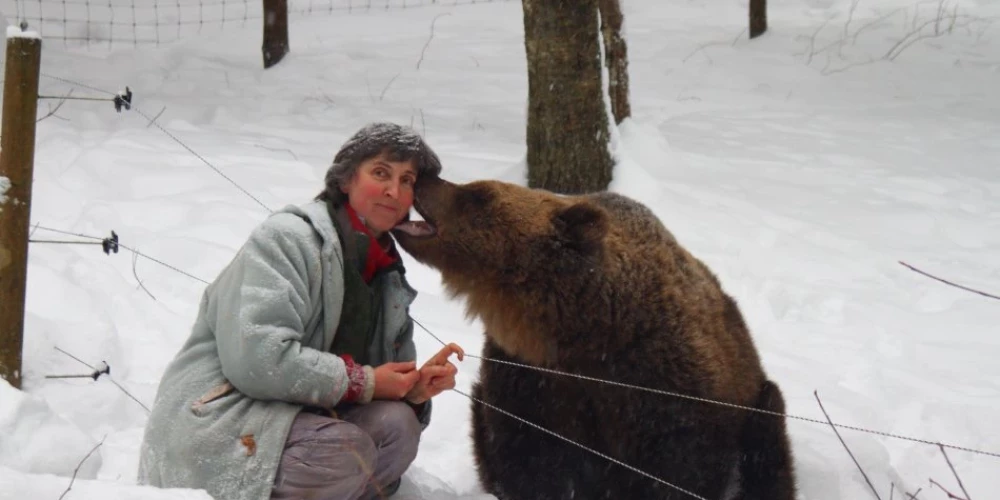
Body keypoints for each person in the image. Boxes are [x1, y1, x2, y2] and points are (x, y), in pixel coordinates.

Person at [138, 122, 464, 500]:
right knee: (343, 453)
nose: (395, 191)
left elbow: (381, 382)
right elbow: (258, 359)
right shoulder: (288, 239)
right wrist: (366, 382)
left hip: (299, 420)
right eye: (380, 173)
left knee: (399, 427)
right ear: (345, 180)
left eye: (407, 180)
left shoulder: (386, 272)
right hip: (222, 417)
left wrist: (413, 390)